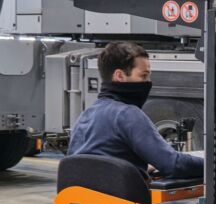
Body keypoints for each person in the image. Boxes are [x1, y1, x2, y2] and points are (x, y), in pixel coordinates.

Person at [68, 42, 204, 181]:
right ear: (119, 76)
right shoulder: (128, 115)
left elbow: (94, 164)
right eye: (143, 76)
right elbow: (173, 164)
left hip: (82, 198)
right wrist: (214, 165)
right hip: (122, 199)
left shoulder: (85, 116)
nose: (148, 82)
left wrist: (136, 168)